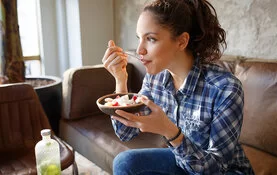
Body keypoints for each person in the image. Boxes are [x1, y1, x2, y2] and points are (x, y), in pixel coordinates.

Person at [102, 0, 254, 174]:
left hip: (221, 170)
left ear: (182, 41)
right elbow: (126, 133)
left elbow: (216, 168)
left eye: (151, 39)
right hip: (184, 160)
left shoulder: (225, 89)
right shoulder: (155, 79)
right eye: (140, 38)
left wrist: (169, 131)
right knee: (125, 163)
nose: (139, 50)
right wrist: (120, 81)